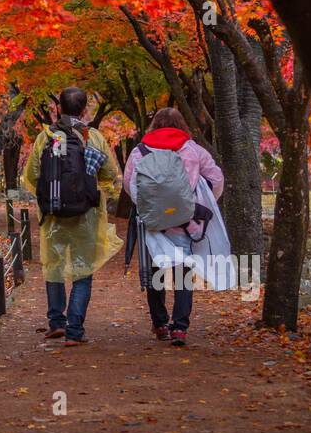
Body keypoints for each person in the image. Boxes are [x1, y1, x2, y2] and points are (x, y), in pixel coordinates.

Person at [22, 87, 123, 347]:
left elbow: (31, 176)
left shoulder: (45, 138)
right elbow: (110, 174)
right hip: (86, 216)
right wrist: (97, 191)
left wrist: (50, 197)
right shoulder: (94, 138)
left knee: (53, 266)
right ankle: (75, 331)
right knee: (82, 271)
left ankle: (56, 323)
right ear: (84, 110)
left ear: (59, 109)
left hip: (53, 217)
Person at [125, 107, 224, 347]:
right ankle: (180, 327)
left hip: (153, 223)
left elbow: (130, 184)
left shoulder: (140, 151)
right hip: (184, 222)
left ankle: (160, 324)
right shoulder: (194, 151)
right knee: (183, 273)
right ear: (181, 125)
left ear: (155, 125)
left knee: (156, 271)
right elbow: (217, 179)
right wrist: (199, 201)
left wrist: (147, 206)